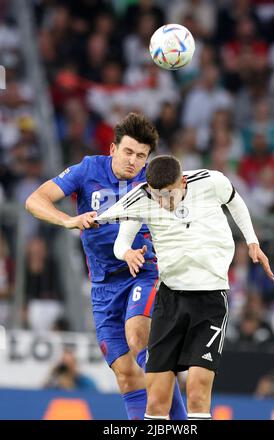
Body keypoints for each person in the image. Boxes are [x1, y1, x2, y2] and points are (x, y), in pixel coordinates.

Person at [25, 114, 186, 420]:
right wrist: (69, 220)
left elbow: (183, 215)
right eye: (128, 152)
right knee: (125, 374)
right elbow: (36, 199)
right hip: (103, 285)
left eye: (141, 156)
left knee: (138, 334)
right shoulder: (88, 169)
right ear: (113, 149)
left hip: (145, 271)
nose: (133, 161)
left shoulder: (155, 178)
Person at [97, 155, 274, 420]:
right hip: (169, 301)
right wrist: (127, 253)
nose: (163, 203)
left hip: (210, 300)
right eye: (158, 196)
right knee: (157, 400)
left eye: (169, 195)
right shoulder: (141, 197)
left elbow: (234, 200)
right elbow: (118, 238)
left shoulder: (211, 181)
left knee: (197, 391)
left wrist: (252, 240)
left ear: (183, 181)